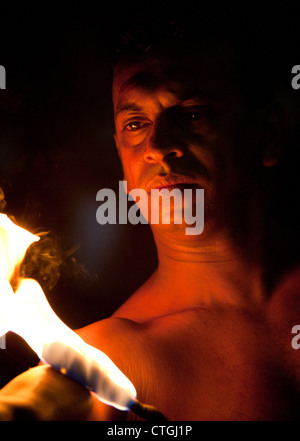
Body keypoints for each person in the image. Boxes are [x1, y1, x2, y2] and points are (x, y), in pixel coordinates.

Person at [1, 9, 300, 421]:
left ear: (267, 134)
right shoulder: (111, 358)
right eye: (136, 123)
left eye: (192, 114)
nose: (157, 147)